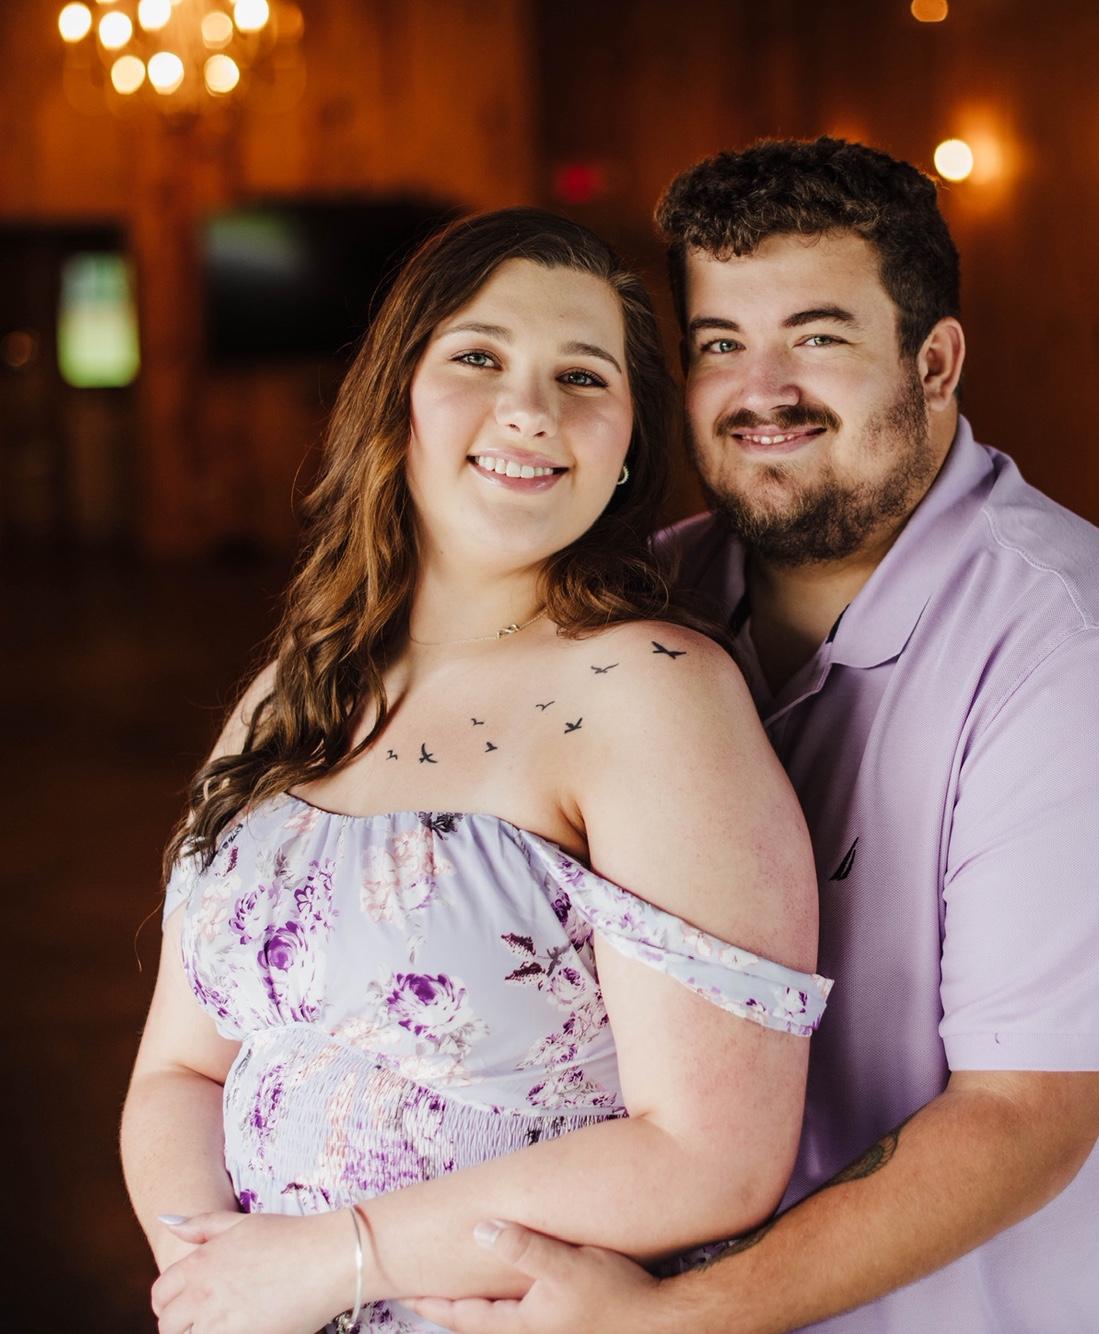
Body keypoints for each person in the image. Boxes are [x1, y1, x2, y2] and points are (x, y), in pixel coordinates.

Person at [406, 138, 1099, 1333]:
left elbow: (1021, 1117)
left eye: (817, 337)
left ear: (933, 361)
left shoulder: (1076, 653)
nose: (762, 390)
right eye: (718, 345)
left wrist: (661, 1322)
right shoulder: (645, 601)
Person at [119, 206, 832, 1334]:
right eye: (479, 357)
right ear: (396, 394)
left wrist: (334, 1261)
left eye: (582, 377)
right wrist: (211, 1275)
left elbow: (712, 1155)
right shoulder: (297, 686)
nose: (529, 409)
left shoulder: (648, 690)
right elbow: (178, 1070)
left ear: (629, 446)